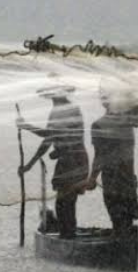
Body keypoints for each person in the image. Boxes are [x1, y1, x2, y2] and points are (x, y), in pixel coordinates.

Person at [17, 85, 89, 239]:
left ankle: (68, 236)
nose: (52, 99)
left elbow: (50, 134)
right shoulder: (58, 111)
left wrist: (26, 126)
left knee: (65, 202)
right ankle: (67, 234)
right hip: (68, 160)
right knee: (64, 203)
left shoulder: (69, 110)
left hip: (74, 161)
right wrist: (30, 164)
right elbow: (48, 141)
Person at [86, 91, 138, 235]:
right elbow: (137, 119)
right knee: (127, 217)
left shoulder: (99, 125)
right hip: (128, 178)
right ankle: (125, 237)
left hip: (112, 179)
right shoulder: (127, 124)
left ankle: (119, 237)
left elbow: (100, 156)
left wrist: (92, 178)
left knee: (117, 215)